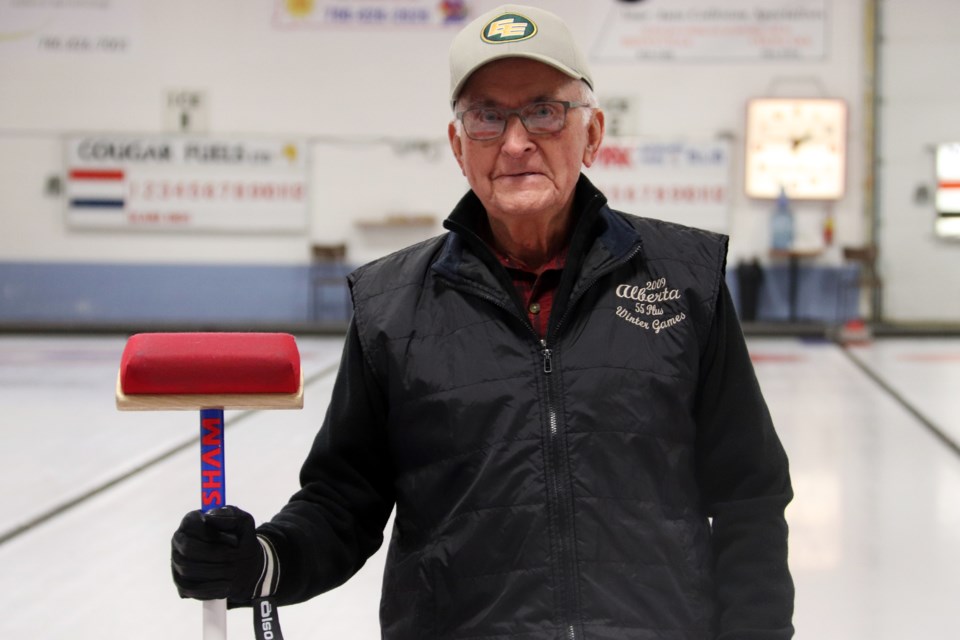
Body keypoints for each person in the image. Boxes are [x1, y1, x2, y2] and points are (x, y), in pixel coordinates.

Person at [172, 5, 795, 638]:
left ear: (593, 133)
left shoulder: (684, 279)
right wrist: (261, 562)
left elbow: (749, 499)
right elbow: (343, 502)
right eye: (487, 117)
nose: (517, 141)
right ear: (457, 146)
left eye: (545, 111)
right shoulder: (392, 306)